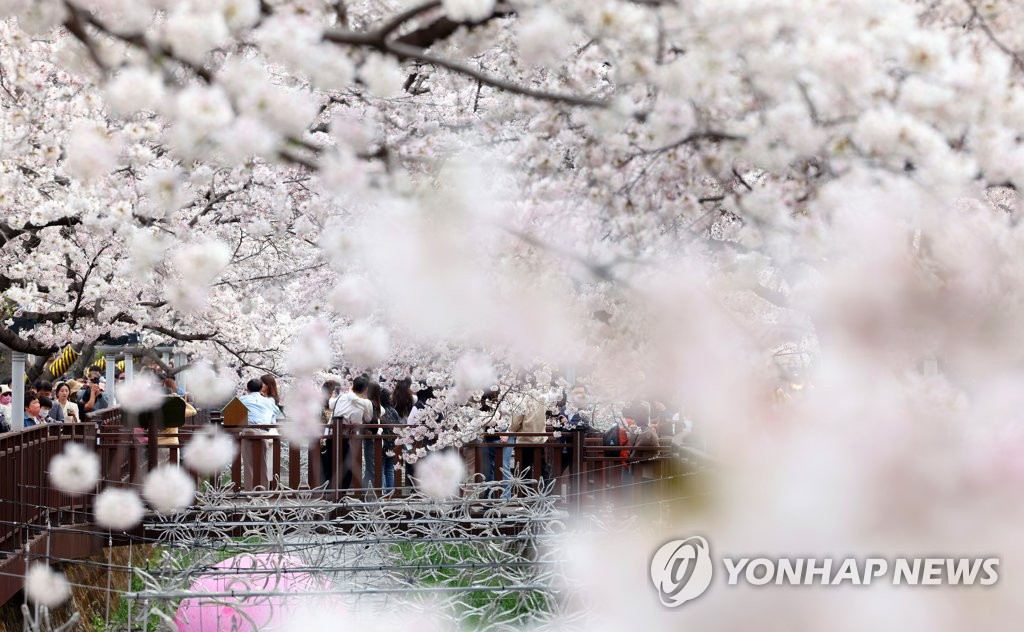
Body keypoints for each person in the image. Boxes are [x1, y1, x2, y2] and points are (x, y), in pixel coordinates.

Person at [238, 378, 282, 489]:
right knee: (263, 464)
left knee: (249, 465)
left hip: (248, 432)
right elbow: (273, 419)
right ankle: (264, 493)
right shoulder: (270, 401)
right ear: (261, 388)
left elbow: (236, 418)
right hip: (264, 433)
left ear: (247, 389)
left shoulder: (242, 399)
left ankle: (250, 492)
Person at [330, 375, 373, 489]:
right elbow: (359, 423)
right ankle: (341, 494)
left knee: (331, 466)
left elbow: (331, 404)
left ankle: (332, 495)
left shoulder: (342, 397)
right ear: (366, 389)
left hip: (331, 435)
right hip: (344, 438)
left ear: (353, 386)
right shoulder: (362, 406)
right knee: (346, 469)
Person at [377, 387, 400, 492]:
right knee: (390, 469)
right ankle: (390, 494)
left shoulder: (379, 411)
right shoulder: (394, 411)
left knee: (380, 469)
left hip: (382, 443)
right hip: (393, 444)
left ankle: (382, 493)